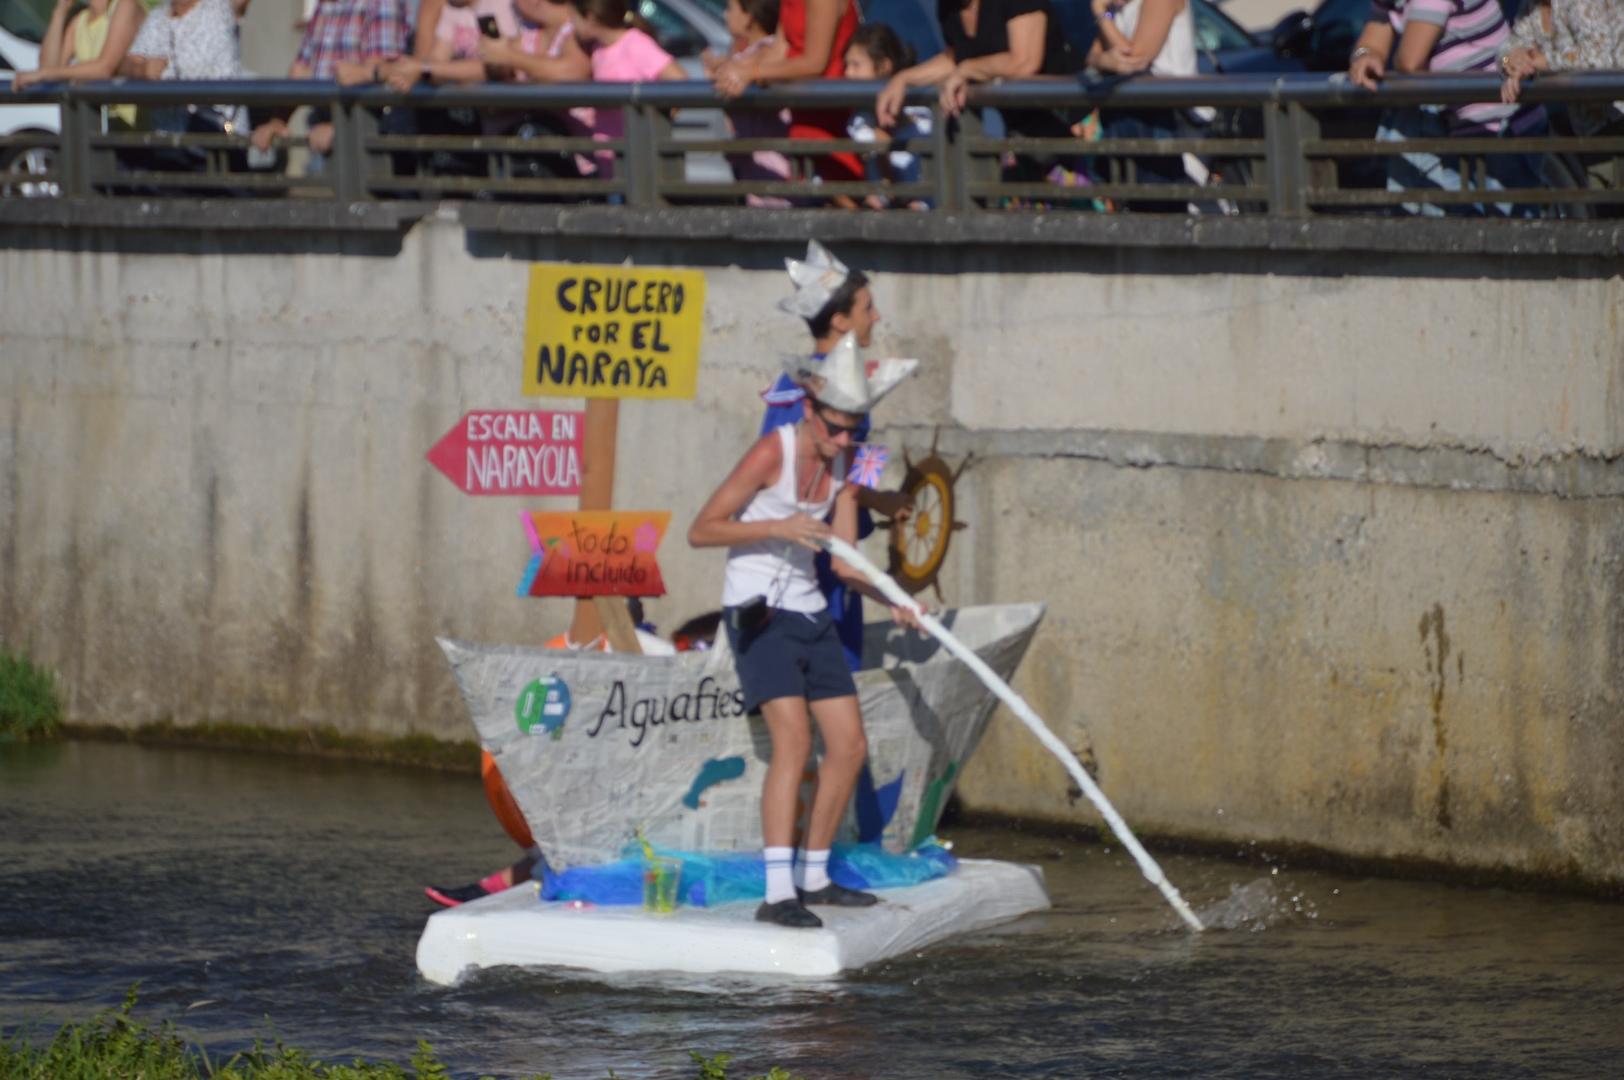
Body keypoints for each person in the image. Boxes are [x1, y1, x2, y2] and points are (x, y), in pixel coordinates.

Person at [688, 304, 921, 929]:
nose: (845, 440)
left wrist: (894, 599)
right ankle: (777, 894)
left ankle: (815, 878)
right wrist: (777, 525)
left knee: (848, 745)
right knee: (794, 740)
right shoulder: (774, 450)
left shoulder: (848, 464)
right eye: (837, 428)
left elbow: (845, 563)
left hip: (811, 611)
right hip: (758, 611)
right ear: (811, 411)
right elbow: (701, 529)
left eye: (855, 430)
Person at [427, 604, 675, 906]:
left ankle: (493, 887)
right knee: (571, 822)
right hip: (596, 781)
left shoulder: (657, 652)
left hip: (641, 785)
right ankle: (494, 886)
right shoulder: (586, 648)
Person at [1348, 0, 1548, 217]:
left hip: (1501, 125)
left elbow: (1410, 63)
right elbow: (1372, 43)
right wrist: (1365, 56)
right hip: (1464, 128)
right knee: (1473, 235)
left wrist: (1386, 65)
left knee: (1508, 235)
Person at [875, 0, 1082, 187]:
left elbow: (1025, 62)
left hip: (1074, 130)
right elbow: (954, 57)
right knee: (1017, 226)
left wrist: (968, 69)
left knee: (1087, 224)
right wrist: (902, 79)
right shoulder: (949, 7)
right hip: (1021, 140)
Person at [711, 0, 863, 187]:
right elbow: (780, 50)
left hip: (832, 116)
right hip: (802, 114)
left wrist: (753, 72)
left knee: (843, 197)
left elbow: (815, 63)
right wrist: (736, 69)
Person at [249, 0, 414, 168]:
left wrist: (339, 124)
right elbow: (301, 70)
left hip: (369, 144)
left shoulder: (382, 3)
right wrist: (278, 121)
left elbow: (380, 78)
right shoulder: (326, 4)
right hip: (323, 135)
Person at [1085, 0, 1215, 204]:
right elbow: (1092, 55)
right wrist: (1107, 60)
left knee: (1172, 211)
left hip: (1175, 124)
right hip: (1135, 123)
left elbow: (1135, 59)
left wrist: (1100, 13)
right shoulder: (1117, 8)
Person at [1499, 0, 1624, 204]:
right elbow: (1508, 47)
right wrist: (1512, 62)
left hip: (1616, 120)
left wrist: (1538, 62)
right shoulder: (1531, 7)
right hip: (1587, 128)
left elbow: (1598, 57)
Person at [566, 0, 688, 182]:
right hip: (610, 161)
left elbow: (680, 81)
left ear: (591, 19)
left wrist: (659, 120)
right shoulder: (599, 49)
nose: (571, 25)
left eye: (574, 18)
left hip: (637, 159)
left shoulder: (635, 44)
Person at [704, 0, 794, 204]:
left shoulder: (768, 49)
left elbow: (745, 66)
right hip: (755, 168)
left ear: (749, 17)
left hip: (776, 168)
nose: (725, 15)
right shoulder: (747, 55)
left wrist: (721, 68)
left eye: (730, 8)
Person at [843, 23, 930, 210]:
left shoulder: (924, 118)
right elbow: (884, 172)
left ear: (884, 66)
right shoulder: (860, 122)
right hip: (883, 201)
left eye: (856, 65)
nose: (847, 73)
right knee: (873, 205)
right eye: (846, 65)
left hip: (925, 205)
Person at [12, 0, 144, 117]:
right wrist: (60, 11)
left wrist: (43, 74)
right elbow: (48, 67)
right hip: (95, 121)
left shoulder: (125, 5)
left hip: (130, 131)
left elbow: (104, 69)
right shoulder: (80, 19)